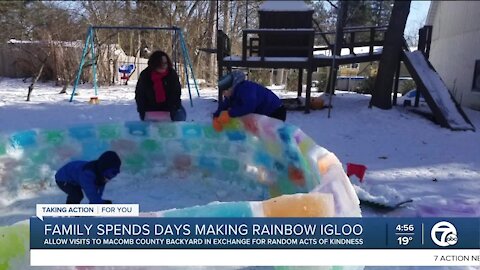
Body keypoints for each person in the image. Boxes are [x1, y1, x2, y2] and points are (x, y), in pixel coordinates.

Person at [213, 71, 286, 131]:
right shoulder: (231, 95)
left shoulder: (246, 89)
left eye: (225, 90)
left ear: (232, 87)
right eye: (222, 91)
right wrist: (216, 116)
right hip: (263, 114)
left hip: (275, 112)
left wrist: (229, 113)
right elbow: (224, 105)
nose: (224, 94)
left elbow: (248, 107)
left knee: (269, 137)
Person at [135, 50, 186, 121]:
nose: (164, 66)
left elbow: (176, 94)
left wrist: (172, 110)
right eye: (161, 63)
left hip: (170, 108)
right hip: (150, 108)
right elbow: (140, 95)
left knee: (179, 116)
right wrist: (143, 111)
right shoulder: (145, 75)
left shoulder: (171, 74)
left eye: (165, 63)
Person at [55, 151, 121, 204]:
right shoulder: (87, 175)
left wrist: (98, 201)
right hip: (63, 178)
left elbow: (99, 188)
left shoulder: (101, 172)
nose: (116, 174)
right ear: (104, 168)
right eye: (113, 172)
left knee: (84, 194)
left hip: (76, 177)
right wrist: (97, 202)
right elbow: (91, 192)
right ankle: (70, 212)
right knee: (77, 195)